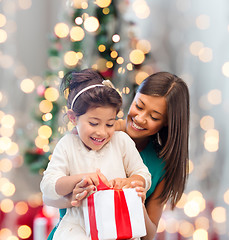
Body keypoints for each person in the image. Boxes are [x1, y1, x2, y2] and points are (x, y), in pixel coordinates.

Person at [43, 71, 190, 240]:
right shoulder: (90, 134)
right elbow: (49, 193)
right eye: (139, 106)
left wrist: (135, 199)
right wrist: (75, 197)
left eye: (154, 117)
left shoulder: (157, 163)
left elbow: (148, 235)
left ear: (167, 122)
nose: (140, 118)